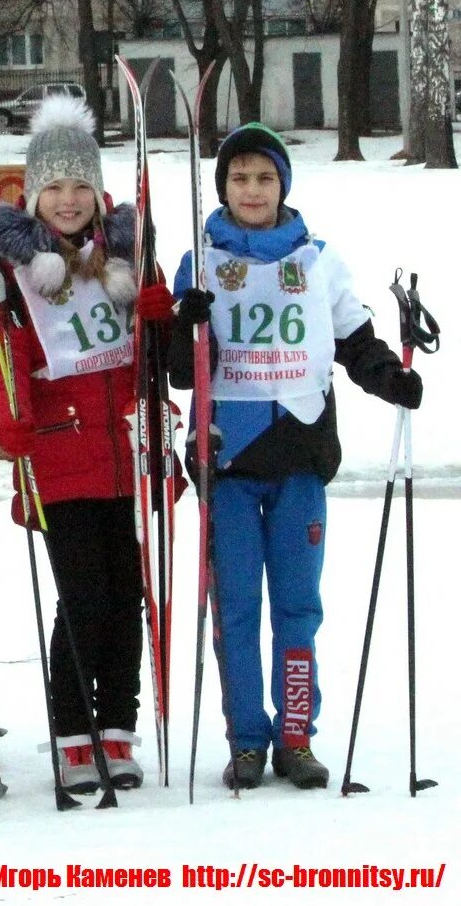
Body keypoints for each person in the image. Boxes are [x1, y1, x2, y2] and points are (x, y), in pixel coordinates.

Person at [169, 123, 421, 791]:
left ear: (284, 183)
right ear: (223, 185)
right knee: (237, 608)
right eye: (239, 177)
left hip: (302, 456)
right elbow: (178, 371)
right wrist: (182, 322)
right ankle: (247, 738)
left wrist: (391, 376)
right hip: (227, 459)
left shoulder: (318, 260)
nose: (252, 190)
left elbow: (355, 339)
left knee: (298, 606)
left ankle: (297, 734)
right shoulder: (200, 257)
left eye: (265, 177)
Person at [0, 95, 168, 793]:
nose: (67, 200)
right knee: (81, 597)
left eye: (79, 186)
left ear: (98, 191)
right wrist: (11, 418)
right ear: (31, 193)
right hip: (59, 454)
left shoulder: (125, 252)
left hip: (124, 453)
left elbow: (158, 353)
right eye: (52, 187)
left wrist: (161, 312)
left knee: (127, 595)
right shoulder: (14, 268)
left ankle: (118, 725)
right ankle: (73, 732)